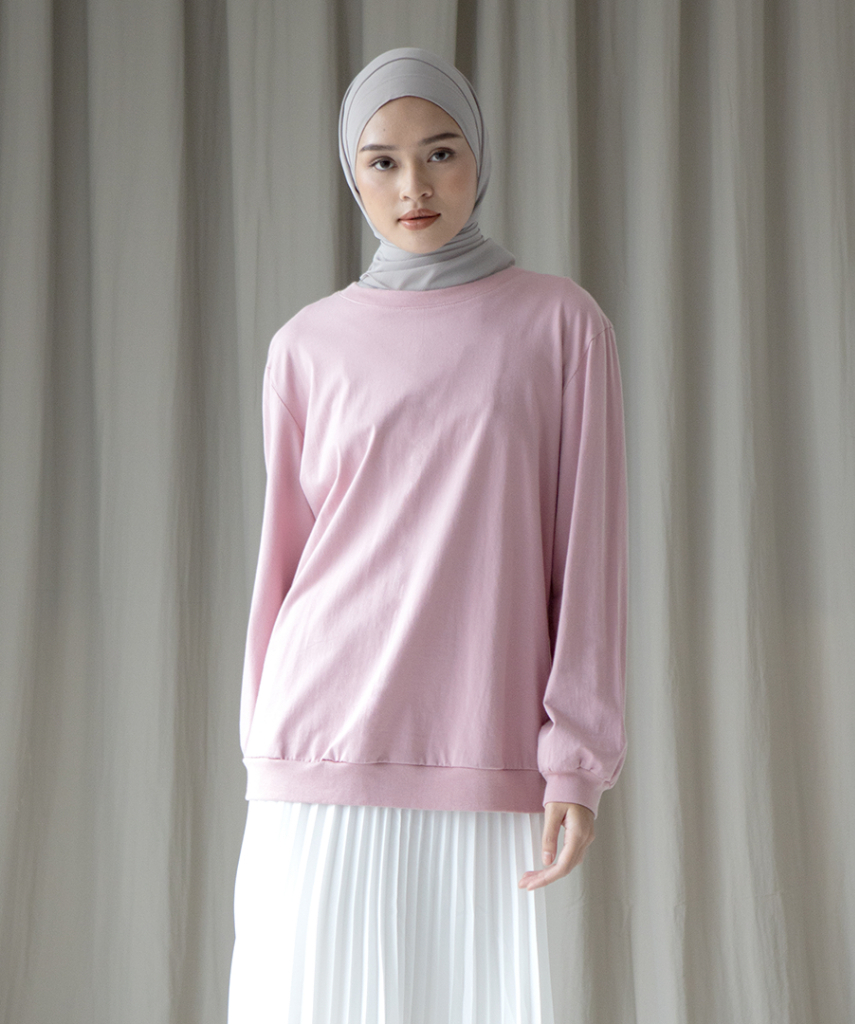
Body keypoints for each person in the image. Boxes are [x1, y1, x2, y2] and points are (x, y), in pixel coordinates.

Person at [226, 48, 627, 1024]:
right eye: (383, 161)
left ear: (478, 157)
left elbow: (588, 559)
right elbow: (282, 563)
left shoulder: (560, 325)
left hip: (479, 743)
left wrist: (576, 757)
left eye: (440, 152)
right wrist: (263, 745)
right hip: (317, 743)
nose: (413, 185)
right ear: (352, 173)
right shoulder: (305, 346)